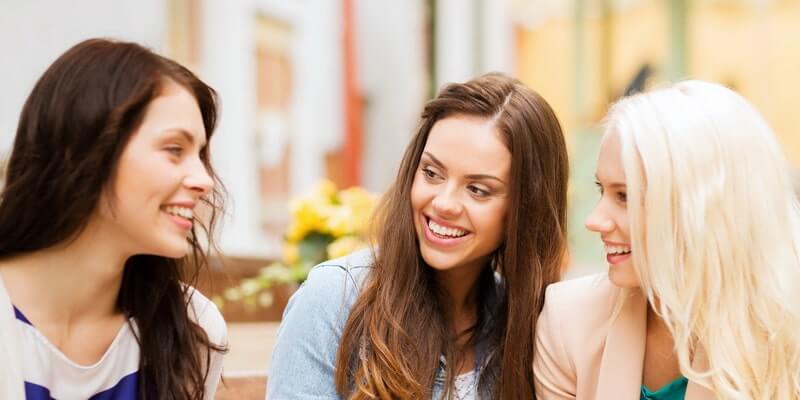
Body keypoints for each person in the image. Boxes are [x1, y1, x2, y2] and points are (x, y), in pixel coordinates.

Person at [267, 72, 569, 399]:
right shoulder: (333, 301)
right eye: (431, 173)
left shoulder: (530, 325)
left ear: (526, 209)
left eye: (478, 190)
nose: (443, 203)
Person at [534, 81, 800, 400]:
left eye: (625, 196)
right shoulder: (568, 320)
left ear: (703, 208)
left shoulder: (787, 333)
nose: (594, 221)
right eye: (601, 190)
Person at [0, 38, 228, 399]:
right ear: (80, 148)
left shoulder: (192, 328)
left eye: (200, 155)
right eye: (174, 150)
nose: (203, 180)